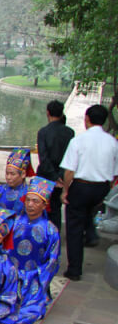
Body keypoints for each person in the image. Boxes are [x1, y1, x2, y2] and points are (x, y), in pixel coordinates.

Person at [60, 104, 118, 281]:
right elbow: (115, 171)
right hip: (101, 187)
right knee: (88, 211)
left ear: (87, 119)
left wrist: (65, 191)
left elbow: (69, 171)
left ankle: (74, 269)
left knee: (74, 226)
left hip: (81, 185)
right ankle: (91, 233)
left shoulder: (78, 141)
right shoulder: (113, 142)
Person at [9, 177, 60, 324]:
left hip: (35, 276)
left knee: (26, 314)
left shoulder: (50, 230)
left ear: (44, 205)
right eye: (28, 200)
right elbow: (3, 249)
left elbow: (52, 262)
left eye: (36, 201)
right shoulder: (15, 222)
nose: (30, 204)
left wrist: (35, 278)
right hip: (11, 273)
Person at [36, 100, 75, 230]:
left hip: (45, 177)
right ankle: (55, 235)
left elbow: (43, 157)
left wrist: (53, 176)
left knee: (40, 205)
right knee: (56, 207)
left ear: (48, 112)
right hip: (61, 176)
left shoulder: (43, 132)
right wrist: (60, 176)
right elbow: (69, 157)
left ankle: (41, 233)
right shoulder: (70, 133)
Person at [0, 148, 33, 214]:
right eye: (7, 173)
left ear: (23, 174)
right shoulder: (0, 190)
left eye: (12, 174)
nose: (8, 177)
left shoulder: (29, 194)